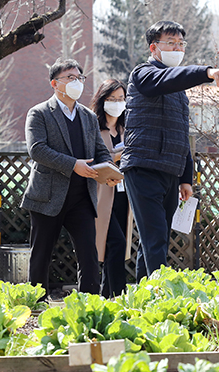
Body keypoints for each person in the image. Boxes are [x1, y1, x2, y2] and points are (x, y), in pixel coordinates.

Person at [121, 20, 219, 281]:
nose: (177, 48)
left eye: (181, 43)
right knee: (155, 237)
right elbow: (169, 78)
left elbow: (181, 133)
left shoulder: (179, 92)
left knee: (154, 239)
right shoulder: (143, 74)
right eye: (170, 43)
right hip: (143, 167)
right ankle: (161, 299)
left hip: (170, 172)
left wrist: (185, 178)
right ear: (153, 47)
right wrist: (206, 72)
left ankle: (142, 298)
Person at [21, 58, 119, 298]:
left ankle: (88, 306)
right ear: (55, 83)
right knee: (41, 255)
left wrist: (108, 170)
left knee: (89, 255)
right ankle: (36, 305)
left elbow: (100, 150)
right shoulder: (39, 113)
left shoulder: (87, 116)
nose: (77, 82)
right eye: (70, 78)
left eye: (80, 78)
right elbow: (37, 150)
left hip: (82, 198)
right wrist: (73, 164)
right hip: (47, 196)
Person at [90, 79, 134, 298]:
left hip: (124, 195)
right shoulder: (93, 127)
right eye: (111, 99)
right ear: (102, 100)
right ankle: (118, 294)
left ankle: (107, 295)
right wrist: (115, 156)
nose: (117, 103)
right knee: (114, 242)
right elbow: (91, 160)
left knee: (116, 247)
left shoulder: (128, 129)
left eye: (121, 99)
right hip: (101, 194)